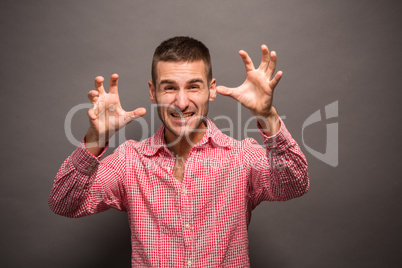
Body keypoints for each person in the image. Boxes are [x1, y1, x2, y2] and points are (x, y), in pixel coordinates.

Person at [49, 36, 309, 267]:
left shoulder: (241, 156)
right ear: (153, 92)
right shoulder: (129, 161)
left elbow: (294, 184)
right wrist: (97, 138)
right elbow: (63, 203)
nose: (182, 102)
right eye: (170, 87)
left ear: (211, 89)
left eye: (194, 86)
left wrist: (267, 115)